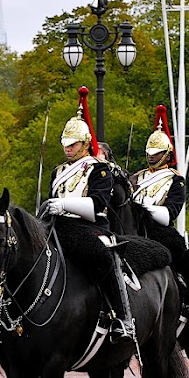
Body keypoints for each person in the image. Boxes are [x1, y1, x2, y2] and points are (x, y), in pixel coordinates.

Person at [45, 88, 135, 342]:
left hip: (90, 227)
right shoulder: (58, 170)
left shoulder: (100, 170)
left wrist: (63, 205)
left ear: (85, 144)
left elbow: (97, 205)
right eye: (65, 145)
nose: (68, 149)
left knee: (104, 258)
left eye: (73, 145)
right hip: (57, 226)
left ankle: (122, 317)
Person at [129, 105, 189, 338]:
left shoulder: (176, 180)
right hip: (133, 231)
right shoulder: (135, 177)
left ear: (167, 154)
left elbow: (169, 214)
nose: (151, 155)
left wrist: (139, 209)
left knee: (187, 261)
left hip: (160, 231)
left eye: (157, 152)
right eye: (150, 151)